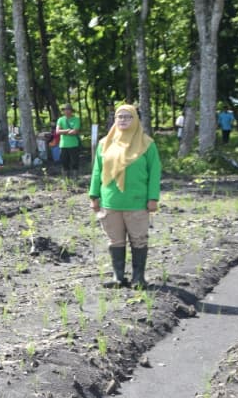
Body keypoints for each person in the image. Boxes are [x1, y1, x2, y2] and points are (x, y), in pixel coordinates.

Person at [89, 104, 160, 288]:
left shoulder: (147, 144)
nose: (123, 120)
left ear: (136, 119)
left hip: (137, 201)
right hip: (111, 201)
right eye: (120, 117)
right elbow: (97, 170)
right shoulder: (105, 143)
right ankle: (118, 277)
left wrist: (153, 198)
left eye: (127, 117)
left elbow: (154, 172)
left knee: (138, 239)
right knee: (115, 240)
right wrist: (94, 195)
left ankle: (138, 278)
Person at [55, 104, 82, 179]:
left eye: (68, 109)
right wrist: (67, 130)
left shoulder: (76, 119)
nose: (67, 111)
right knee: (64, 163)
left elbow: (75, 131)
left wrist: (63, 131)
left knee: (75, 162)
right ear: (63, 111)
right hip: (63, 145)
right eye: (65, 110)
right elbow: (57, 131)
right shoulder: (60, 119)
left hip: (74, 144)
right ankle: (65, 179)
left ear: (71, 111)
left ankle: (75, 178)